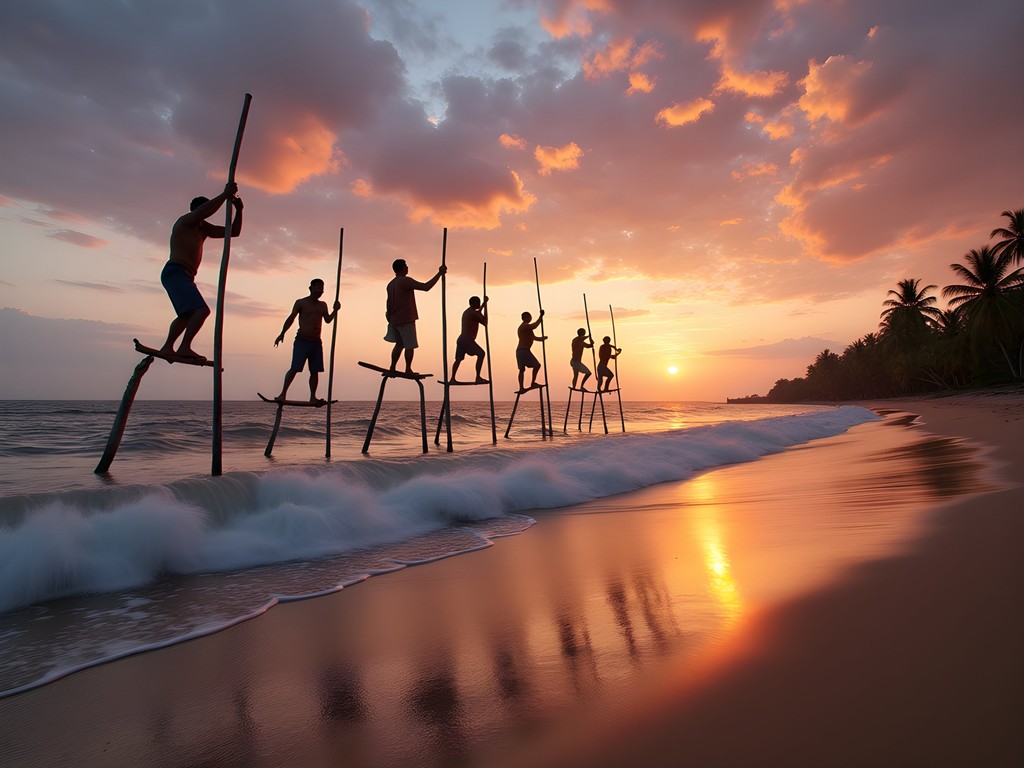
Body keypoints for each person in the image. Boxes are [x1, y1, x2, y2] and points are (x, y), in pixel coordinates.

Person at [159, 182, 243, 360]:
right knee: (201, 311)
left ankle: (167, 348)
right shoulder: (186, 221)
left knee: (187, 314)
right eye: (203, 211)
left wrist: (239, 210)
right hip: (175, 271)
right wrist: (224, 194)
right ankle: (184, 347)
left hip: (186, 276)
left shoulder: (204, 228)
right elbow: (204, 211)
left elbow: (233, 232)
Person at [273, 279, 340, 402]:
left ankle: (312, 397)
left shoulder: (322, 305)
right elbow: (291, 318)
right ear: (311, 288)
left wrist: (335, 310)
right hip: (302, 341)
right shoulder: (301, 303)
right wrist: (282, 333)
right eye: (318, 288)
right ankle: (282, 394)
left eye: (322, 288)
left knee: (314, 371)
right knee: (295, 368)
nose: (320, 291)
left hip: (316, 342)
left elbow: (328, 320)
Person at [384, 258, 445, 374]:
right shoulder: (404, 281)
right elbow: (426, 287)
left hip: (394, 320)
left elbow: (388, 302)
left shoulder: (390, 284)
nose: (407, 268)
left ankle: (392, 367)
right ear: (402, 268)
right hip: (406, 319)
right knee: (409, 345)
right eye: (406, 266)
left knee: (399, 344)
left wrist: (389, 317)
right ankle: (408, 369)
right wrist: (440, 274)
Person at [451, 295, 489, 383]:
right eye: (477, 304)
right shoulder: (472, 313)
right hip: (467, 340)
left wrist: (483, 304)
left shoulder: (468, 312)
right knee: (481, 354)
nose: (479, 305)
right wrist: (486, 306)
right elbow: (485, 322)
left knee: (458, 360)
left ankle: (452, 378)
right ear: (472, 304)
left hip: (462, 339)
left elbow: (478, 313)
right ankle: (478, 377)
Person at [516, 310, 547, 391]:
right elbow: (535, 325)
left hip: (525, 351)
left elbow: (534, 338)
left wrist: (542, 339)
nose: (530, 318)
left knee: (524, 369)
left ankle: (530, 384)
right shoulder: (524, 326)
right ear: (525, 318)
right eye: (529, 316)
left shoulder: (528, 328)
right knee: (530, 367)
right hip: (523, 351)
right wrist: (541, 316)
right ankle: (524, 386)